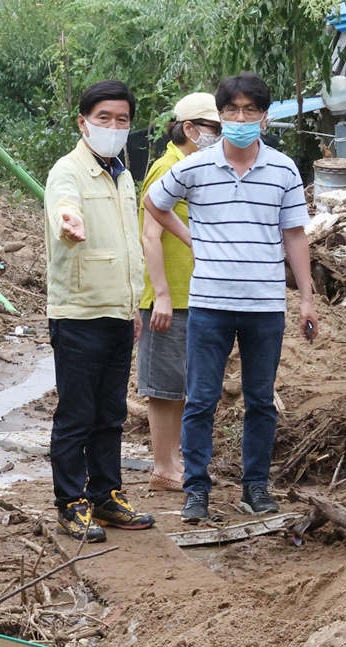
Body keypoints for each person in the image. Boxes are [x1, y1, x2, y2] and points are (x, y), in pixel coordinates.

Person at [143, 72, 319, 524]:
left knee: (260, 399)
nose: (241, 118)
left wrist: (306, 299)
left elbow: (294, 234)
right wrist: (192, 239)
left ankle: (255, 487)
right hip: (209, 304)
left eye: (250, 110)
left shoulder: (282, 169)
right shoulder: (196, 166)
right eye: (232, 111)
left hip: (263, 305)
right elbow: (154, 203)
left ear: (264, 117)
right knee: (201, 398)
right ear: (220, 117)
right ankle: (196, 489)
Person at [45, 80, 156, 543]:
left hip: (117, 311)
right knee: (77, 413)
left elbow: (129, 244)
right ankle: (70, 503)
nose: (114, 127)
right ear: (83, 123)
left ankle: (106, 495)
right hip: (79, 312)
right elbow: (63, 210)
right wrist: (68, 223)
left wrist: (133, 306)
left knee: (111, 412)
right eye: (104, 118)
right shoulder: (67, 171)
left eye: (122, 119)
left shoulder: (122, 173)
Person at [137, 92, 222, 493]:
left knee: (183, 385)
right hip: (170, 297)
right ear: (189, 129)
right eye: (215, 129)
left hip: (196, 294)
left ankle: (174, 461)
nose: (221, 136)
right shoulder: (166, 168)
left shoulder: (197, 167)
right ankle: (163, 466)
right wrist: (162, 294)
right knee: (164, 387)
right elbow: (150, 235)